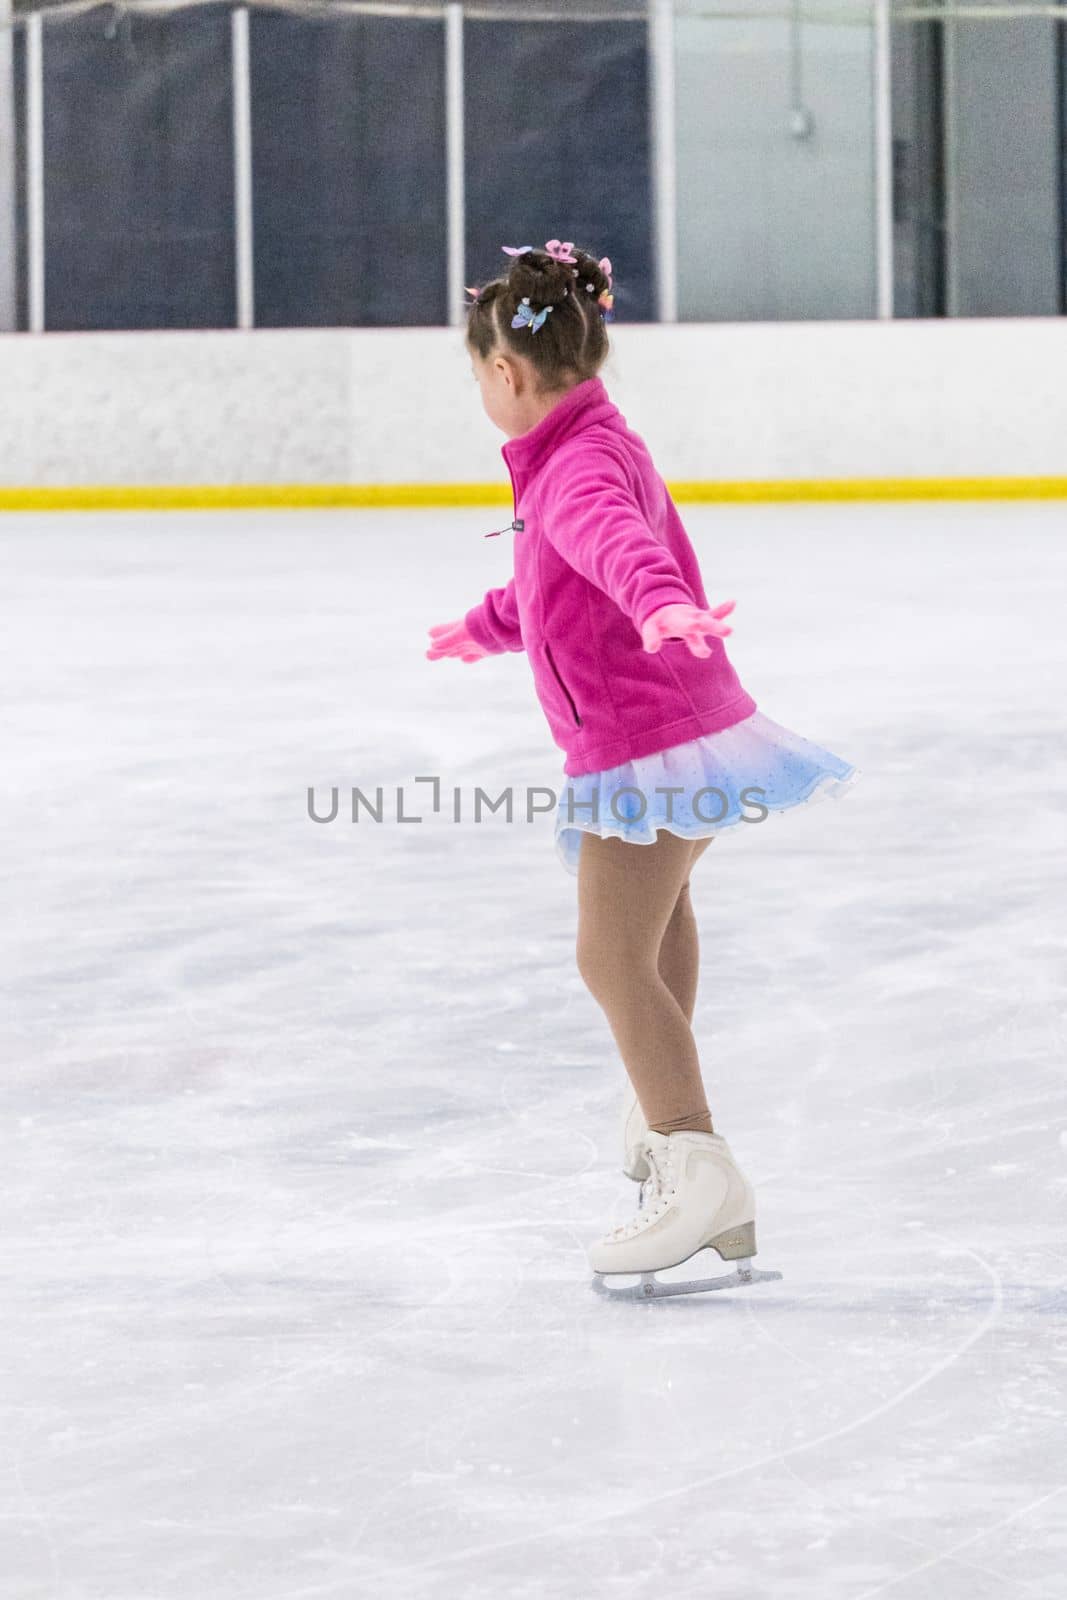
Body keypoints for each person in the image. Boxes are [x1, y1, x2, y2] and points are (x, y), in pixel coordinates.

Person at [426, 239, 859, 1297]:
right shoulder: (583, 442)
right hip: (674, 731)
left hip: (646, 742)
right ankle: (658, 1104)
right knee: (656, 928)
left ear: (505, 373)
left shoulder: (571, 468)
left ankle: (694, 1161)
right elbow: (555, 579)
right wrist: (488, 626)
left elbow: (616, 547)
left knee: (607, 956)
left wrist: (660, 600)